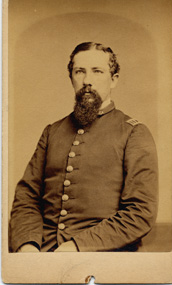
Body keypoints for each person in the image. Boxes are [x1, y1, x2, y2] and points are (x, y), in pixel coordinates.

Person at [9, 42, 158, 253]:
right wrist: (27, 245)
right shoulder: (53, 132)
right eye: (80, 71)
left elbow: (140, 212)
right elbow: (27, 198)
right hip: (43, 254)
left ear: (113, 79)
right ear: (71, 77)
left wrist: (77, 246)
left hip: (104, 257)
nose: (87, 81)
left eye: (97, 71)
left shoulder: (134, 133)